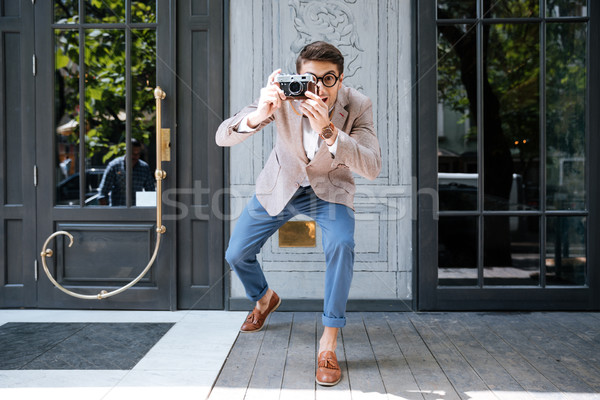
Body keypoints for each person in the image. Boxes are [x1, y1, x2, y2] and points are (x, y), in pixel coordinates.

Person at [215, 41, 381, 386]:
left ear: (342, 78)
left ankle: (329, 342)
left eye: (329, 79)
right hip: (282, 184)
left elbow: (372, 166)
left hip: (330, 190)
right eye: (310, 78)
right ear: (297, 76)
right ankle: (264, 299)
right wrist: (260, 113)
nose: (319, 88)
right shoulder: (286, 96)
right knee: (236, 253)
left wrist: (329, 130)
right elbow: (222, 137)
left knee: (341, 245)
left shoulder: (358, 105)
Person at [97, 138, 155, 206]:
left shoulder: (144, 168)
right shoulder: (114, 166)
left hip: (136, 211)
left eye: (138, 154)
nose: (135, 156)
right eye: (132, 153)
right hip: (117, 210)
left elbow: (150, 192)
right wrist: (106, 213)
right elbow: (102, 193)